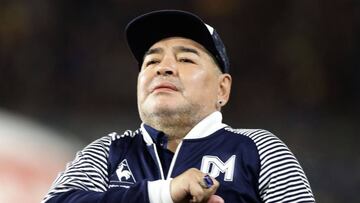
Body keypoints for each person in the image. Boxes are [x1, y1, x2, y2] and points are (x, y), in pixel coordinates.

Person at [42, 10, 316, 203]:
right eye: (151, 62)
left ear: (222, 88)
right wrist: (164, 194)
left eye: (186, 60)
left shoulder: (259, 149)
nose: (164, 68)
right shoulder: (108, 151)